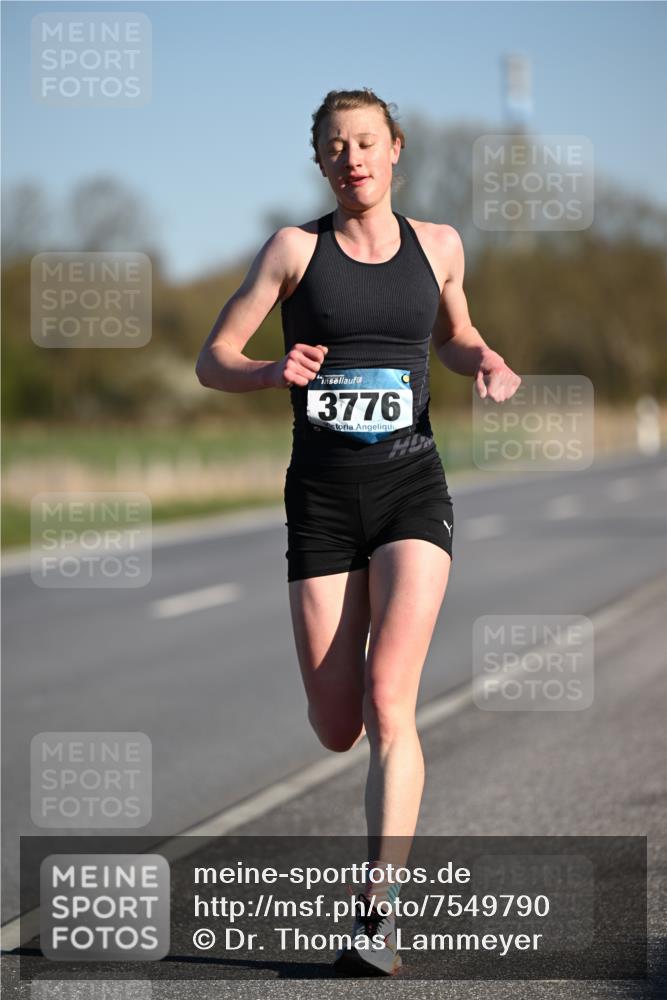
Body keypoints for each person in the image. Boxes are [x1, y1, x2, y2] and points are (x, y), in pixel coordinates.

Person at [196, 87, 521, 977]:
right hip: (322, 502)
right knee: (336, 723)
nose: (352, 158)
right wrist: (270, 372)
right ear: (320, 161)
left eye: (366, 142)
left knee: (388, 700)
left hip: (412, 488)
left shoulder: (440, 246)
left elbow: (455, 337)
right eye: (335, 146)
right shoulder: (293, 252)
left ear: (395, 150)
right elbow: (211, 358)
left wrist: (482, 358)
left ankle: (375, 912)